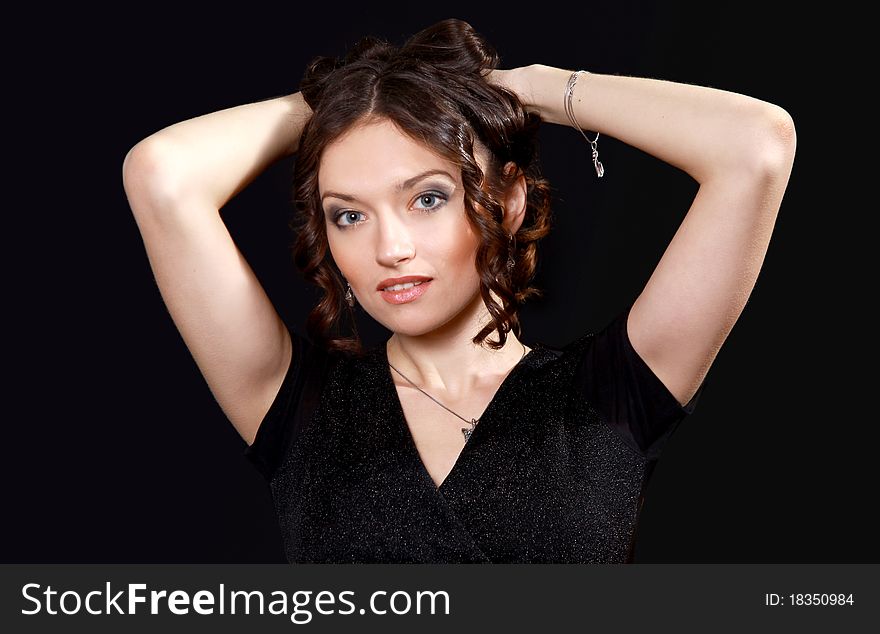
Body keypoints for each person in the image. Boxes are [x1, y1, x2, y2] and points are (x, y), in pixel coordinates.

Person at [121, 18, 796, 563]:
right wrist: (360, 94)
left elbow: (755, 145)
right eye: (348, 214)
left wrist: (524, 87)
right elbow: (162, 175)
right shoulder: (297, 406)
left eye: (428, 198)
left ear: (505, 202)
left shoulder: (614, 390)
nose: (390, 248)